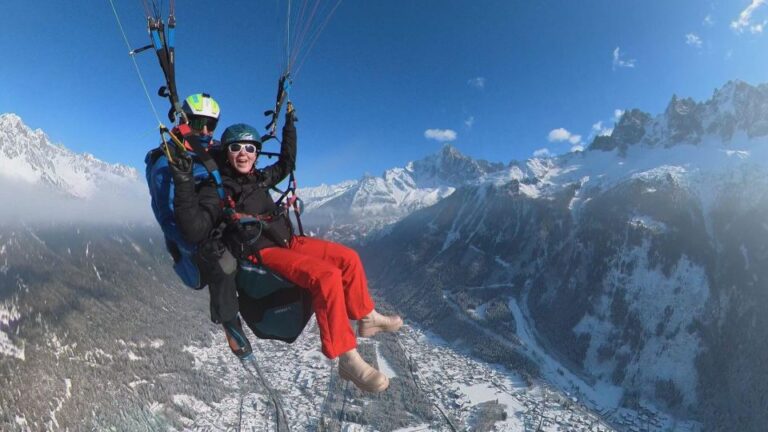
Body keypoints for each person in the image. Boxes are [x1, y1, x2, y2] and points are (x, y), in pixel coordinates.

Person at [170, 103, 403, 393]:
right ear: (226, 152)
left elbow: (286, 164)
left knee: (348, 258)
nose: (243, 154)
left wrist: (289, 127)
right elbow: (194, 228)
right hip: (261, 250)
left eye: (250, 148)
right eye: (236, 148)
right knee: (326, 276)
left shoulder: (258, 178)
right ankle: (346, 357)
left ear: (256, 152)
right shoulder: (218, 188)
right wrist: (182, 183)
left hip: (287, 240)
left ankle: (366, 317)